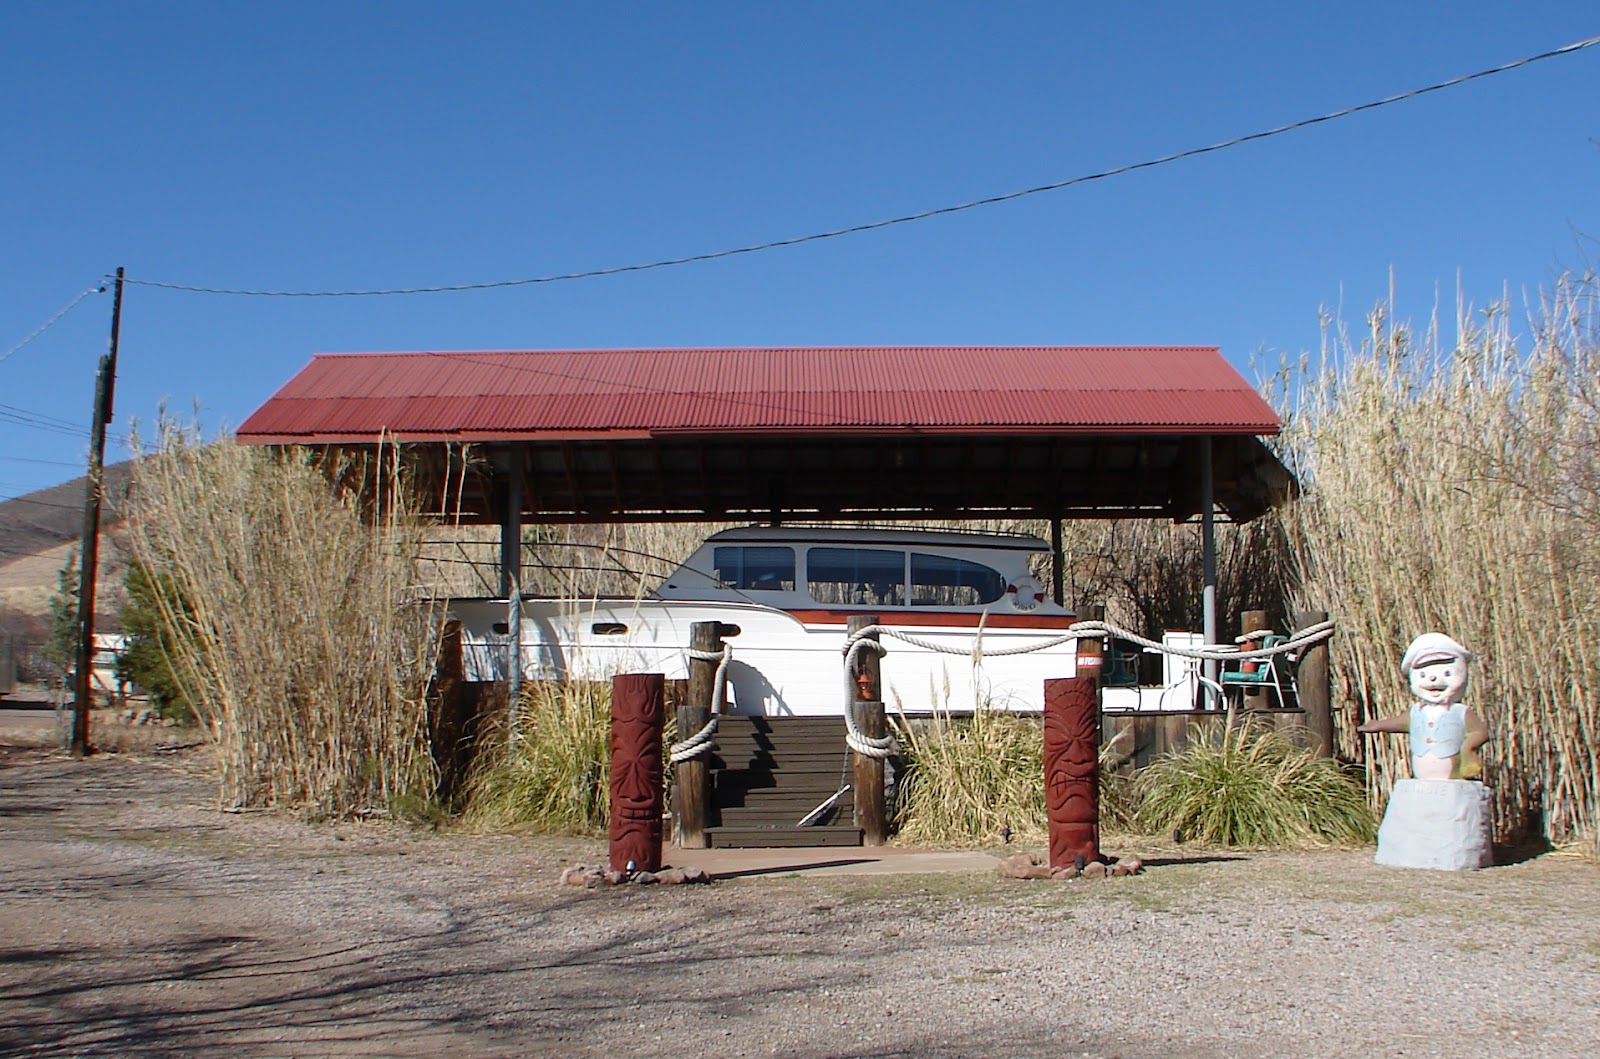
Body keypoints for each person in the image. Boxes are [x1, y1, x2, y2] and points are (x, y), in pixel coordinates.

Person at [1357, 632, 1487, 780]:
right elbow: (1400, 722)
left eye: (1446, 673)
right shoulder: (1416, 712)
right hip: (1422, 783)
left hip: (1452, 781)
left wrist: (1468, 749)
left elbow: (1480, 731)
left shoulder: (1460, 712)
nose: (1432, 680)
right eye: (1423, 675)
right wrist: (1378, 725)